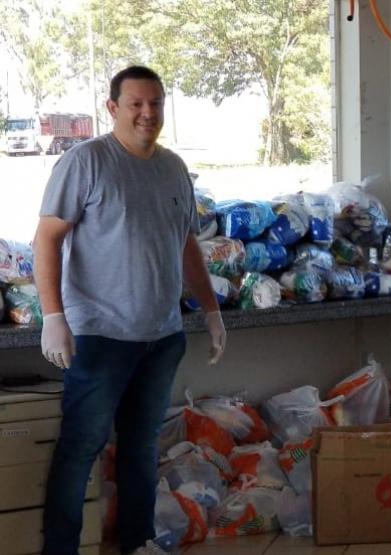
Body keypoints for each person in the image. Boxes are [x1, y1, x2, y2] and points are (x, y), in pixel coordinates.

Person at [33, 65, 227, 555]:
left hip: (161, 337)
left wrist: (210, 310)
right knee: (81, 450)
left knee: (141, 450)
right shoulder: (86, 162)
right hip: (98, 336)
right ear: (113, 107)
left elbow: (185, 245)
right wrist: (53, 316)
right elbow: (47, 239)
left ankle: (136, 545)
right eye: (136, 104)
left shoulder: (173, 168)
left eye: (155, 104)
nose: (147, 113)